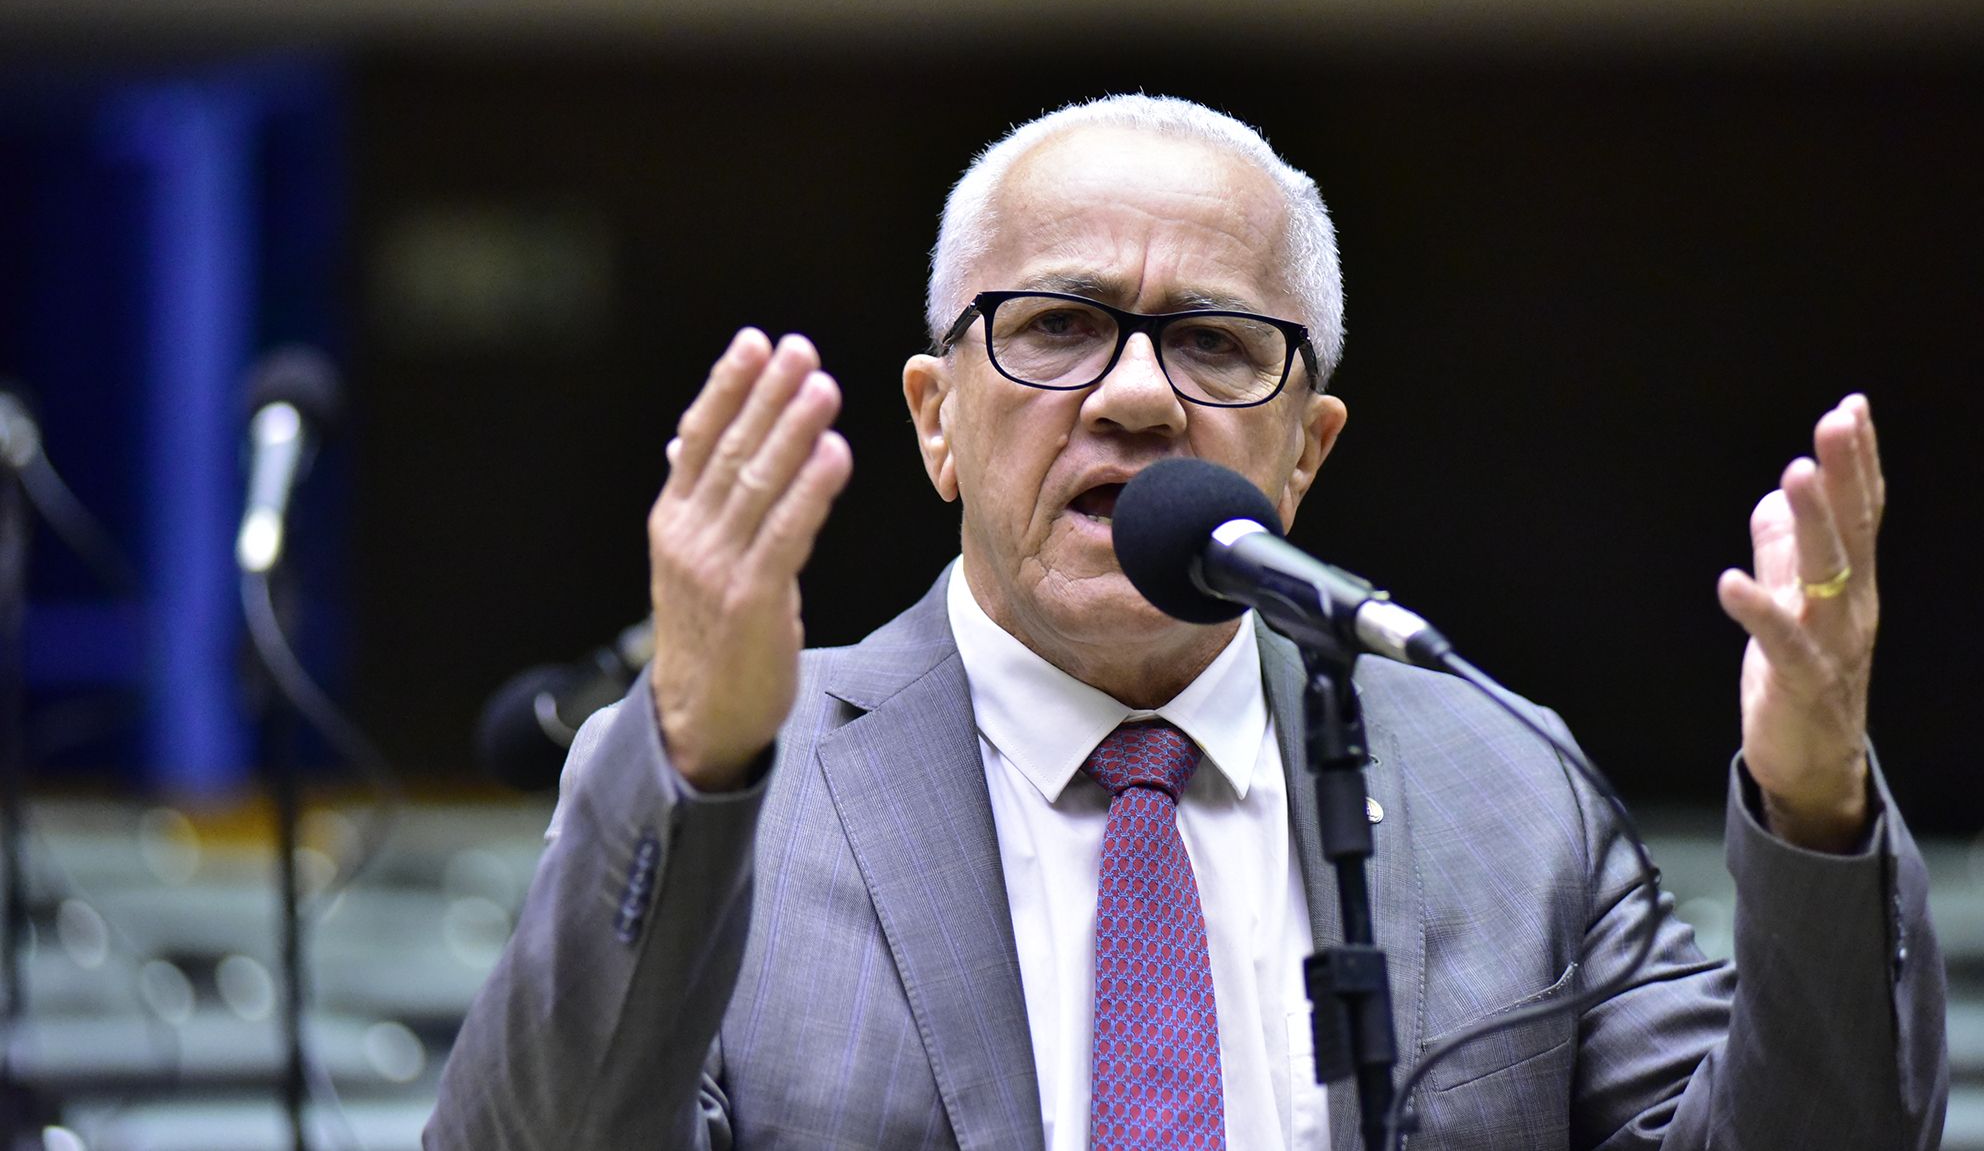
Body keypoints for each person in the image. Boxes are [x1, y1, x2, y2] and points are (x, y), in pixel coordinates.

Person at [424, 95, 1947, 1150]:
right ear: (937, 421)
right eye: (1059, 326)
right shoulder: (734, 797)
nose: (1139, 395)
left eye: (1218, 343)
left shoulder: (1496, 780)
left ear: (1307, 450)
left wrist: (1813, 807)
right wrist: (695, 753)